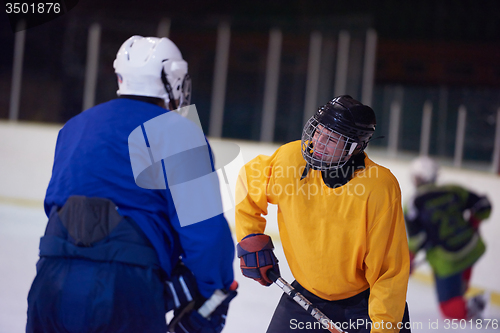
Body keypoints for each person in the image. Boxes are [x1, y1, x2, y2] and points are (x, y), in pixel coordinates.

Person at [26, 36, 236, 333]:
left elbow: (55, 204)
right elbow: (205, 233)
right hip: (124, 287)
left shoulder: (75, 126)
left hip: (49, 281)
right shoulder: (179, 132)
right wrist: (215, 291)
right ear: (173, 78)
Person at [235, 95, 411, 333]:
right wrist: (249, 236)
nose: (317, 142)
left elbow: (388, 271)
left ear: (354, 147)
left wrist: (383, 328)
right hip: (305, 296)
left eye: (331, 139)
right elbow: (249, 180)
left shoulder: (379, 187)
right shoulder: (291, 161)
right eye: (319, 131)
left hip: (364, 307)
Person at [405, 156, 491, 320]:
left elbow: (417, 239)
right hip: (473, 247)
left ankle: (475, 304)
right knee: (459, 283)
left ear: (417, 178)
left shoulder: (412, 203)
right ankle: (461, 289)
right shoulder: (453, 190)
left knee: (449, 309)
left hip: (448, 259)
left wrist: (408, 260)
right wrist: (474, 222)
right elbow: (484, 205)